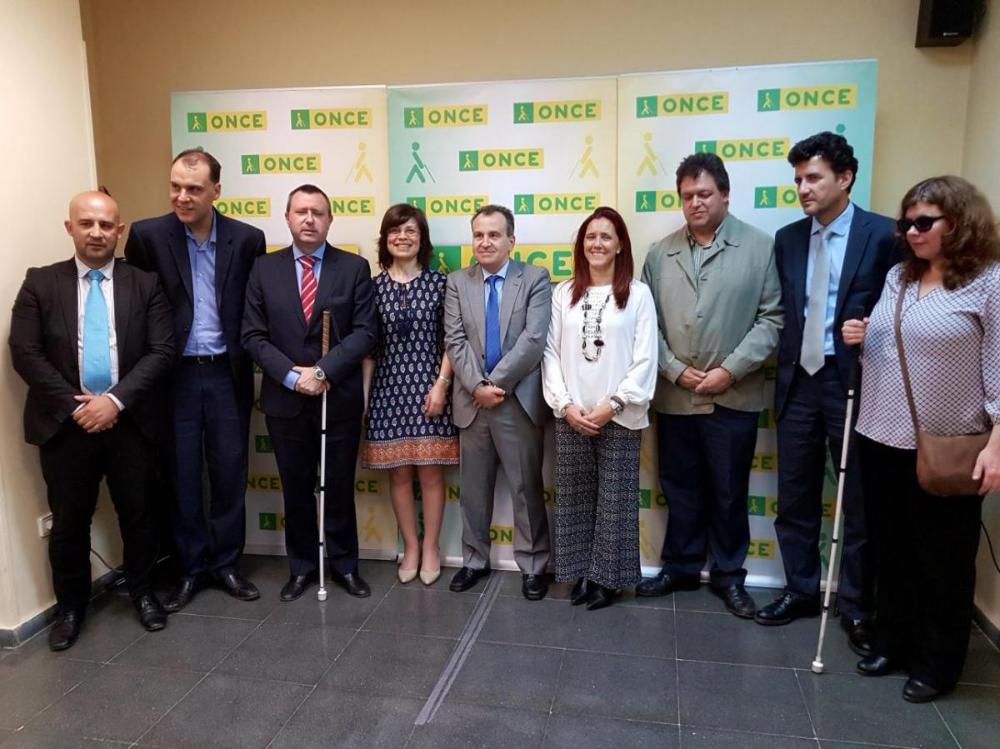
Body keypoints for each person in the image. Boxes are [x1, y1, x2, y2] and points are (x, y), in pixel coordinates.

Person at [843, 176, 1000, 702]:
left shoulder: (989, 282)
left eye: (924, 222)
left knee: (944, 560)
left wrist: (997, 444)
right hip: (879, 434)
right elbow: (887, 351)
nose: (911, 232)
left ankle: (937, 663)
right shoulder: (899, 279)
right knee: (892, 551)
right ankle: (893, 641)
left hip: (946, 444)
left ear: (959, 222)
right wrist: (861, 337)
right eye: (906, 222)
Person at [9, 191, 174, 649]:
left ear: (120, 231)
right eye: (87, 223)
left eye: (106, 225)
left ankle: (143, 592)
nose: (97, 233)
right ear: (70, 228)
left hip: (131, 423)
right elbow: (24, 351)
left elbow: (162, 351)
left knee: (139, 515)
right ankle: (71, 607)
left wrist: (115, 402)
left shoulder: (146, 284)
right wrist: (76, 405)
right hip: (66, 426)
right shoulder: (40, 283)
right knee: (68, 522)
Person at [756, 132, 898, 657]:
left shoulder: (883, 235)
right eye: (797, 179)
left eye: (812, 177)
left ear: (845, 177)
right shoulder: (788, 238)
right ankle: (799, 590)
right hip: (797, 384)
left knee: (855, 503)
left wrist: (872, 330)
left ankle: (857, 605)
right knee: (794, 497)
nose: (803, 188)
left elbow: (905, 310)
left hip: (854, 384)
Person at [637, 153, 783, 618]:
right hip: (676, 395)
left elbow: (773, 319)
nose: (695, 203)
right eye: (686, 196)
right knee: (679, 487)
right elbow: (644, 325)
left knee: (727, 491)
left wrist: (731, 369)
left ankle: (728, 575)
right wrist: (674, 369)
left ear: (725, 194)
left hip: (732, 395)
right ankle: (679, 567)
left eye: (704, 194)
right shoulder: (660, 253)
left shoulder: (761, 248)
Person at [124, 148, 265, 611]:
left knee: (229, 473)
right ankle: (189, 568)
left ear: (216, 192)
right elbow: (136, 308)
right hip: (175, 378)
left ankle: (226, 564)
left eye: (193, 189)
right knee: (183, 475)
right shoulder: (147, 236)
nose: (182, 197)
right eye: (175, 188)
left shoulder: (247, 239)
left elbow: (253, 308)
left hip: (227, 374)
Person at [242, 184, 377, 601]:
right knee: (295, 486)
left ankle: (344, 565)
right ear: (286, 217)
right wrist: (290, 376)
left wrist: (322, 371)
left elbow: (366, 332)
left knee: (336, 485)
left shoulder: (353, 268)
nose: (309, 219)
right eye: (301, 211)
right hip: (285, 398)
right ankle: (301, 567)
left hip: (335, 398)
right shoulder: (263, 269)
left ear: (329, 219)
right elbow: (252, 334)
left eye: (318, 212)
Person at [542, 207, 657, 610]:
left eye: (606, 237)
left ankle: (607, 580)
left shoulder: (638, 294)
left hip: (620, 414)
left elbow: (645, 359)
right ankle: (582, 573)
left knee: (615, 500)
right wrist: (566, 405)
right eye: (591, 237)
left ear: (621, 244)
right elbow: (549, 354)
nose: (597, 244)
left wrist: (614, 403)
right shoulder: (563, 293)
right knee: (574, 497)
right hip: (572, 414)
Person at [444, 204, 552, 600]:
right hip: (473, 403)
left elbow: (534, 340)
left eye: (494, 235)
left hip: (515, 401)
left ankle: (534, 564)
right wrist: (476, 386)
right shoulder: (457, 282)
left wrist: (495, 384)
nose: (485, 242)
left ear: (511, 240)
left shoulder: (536, 278)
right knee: (473, 491)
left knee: (526, 488)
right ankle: (474, 560)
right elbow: (454, 341)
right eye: (478, 235)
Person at [361, 204, 458, 585]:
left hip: (429, 389)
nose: (402, 237)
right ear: (385, 239)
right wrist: (366, 400)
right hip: (387, 390)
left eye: (410, 231)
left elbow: (452, 340)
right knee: (399, 475)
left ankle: (432, 547)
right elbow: (369, 349)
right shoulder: (371, 287)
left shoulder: (440, 284)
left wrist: (441, 384)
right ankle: (411, 547)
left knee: (431, 474)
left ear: (422, 239)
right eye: (395, 231)